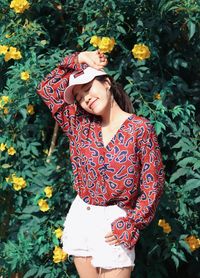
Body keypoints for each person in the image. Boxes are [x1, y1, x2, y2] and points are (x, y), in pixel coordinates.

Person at [37, 50, 165, 278]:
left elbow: (152, 184)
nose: (85, 98)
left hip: (116, 223)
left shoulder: (139, 128)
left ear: (106, 82)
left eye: (87, 89)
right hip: (83, 214)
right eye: (79, 97)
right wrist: (79, 58)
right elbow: (47, 88)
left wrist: (133, 222)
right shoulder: (79, 125)